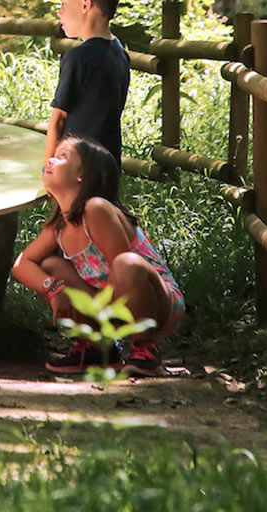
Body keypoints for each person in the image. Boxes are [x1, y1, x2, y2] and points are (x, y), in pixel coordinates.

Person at [12, 135, 185, 376]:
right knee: (51, 266)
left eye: (62, 157)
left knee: (125, 264)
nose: (50, 160)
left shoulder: (96, 209)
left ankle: (145, 346)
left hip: (155, 303)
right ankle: (98, 350)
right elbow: (22, 264)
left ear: (82, 176)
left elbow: (125, 272)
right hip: (110, 302)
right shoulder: (60, 225)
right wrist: (53, 289)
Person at [46, 0, 129, 166]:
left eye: (64, 3)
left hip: (75, 168)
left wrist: (47, 168)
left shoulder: (78, 58)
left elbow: (58, 120)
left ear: (85, 4)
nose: (59, 11)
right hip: (108, 167)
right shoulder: (120, 54)